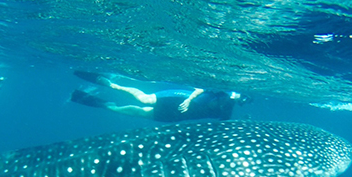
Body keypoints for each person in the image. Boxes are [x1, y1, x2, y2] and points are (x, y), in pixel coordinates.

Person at [70, 71, 250, 122]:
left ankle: (103, 104)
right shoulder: (227, 94)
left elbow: (225, 123)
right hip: (180, 99)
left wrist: (243, 121)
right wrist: (188, 100)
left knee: (140, 113)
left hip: (181, 115)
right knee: (144, 99)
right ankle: (113, 84)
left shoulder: (228, 110)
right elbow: (199, 88)